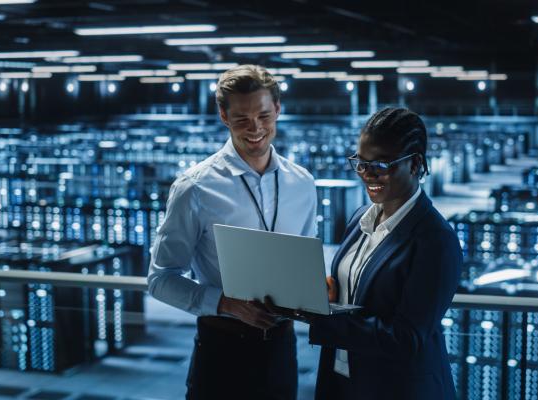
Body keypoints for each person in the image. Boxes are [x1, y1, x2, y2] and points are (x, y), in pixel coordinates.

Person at [147, 64, 317, 400]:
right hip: (221, 350)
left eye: (264, 116)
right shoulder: (195, 188)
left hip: (283, 348)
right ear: (224, 116)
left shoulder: (302, 184)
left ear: (278, 110)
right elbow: (160, 279)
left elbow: (305, 264)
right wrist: (225, 303)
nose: (255, 129)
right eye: (241, 118)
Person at [308, 107, 462, 399]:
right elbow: (358, 294)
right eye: (361, 163)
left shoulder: (435, 240)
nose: (367, 174)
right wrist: (326, 296)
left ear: (415, 165)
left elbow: (406, 338)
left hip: (396, 388)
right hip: (343, 379)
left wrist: (323, 321)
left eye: (380, 164)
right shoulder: (359, 218)